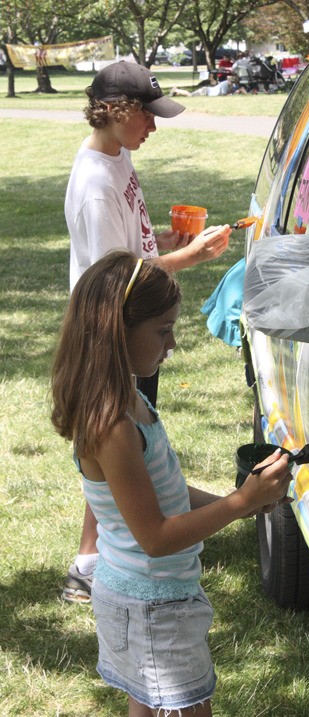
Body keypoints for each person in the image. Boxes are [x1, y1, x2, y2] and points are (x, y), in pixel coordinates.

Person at [50, 251, 292, 717]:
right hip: (151, 607)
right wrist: (242, 500)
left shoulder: (130, 402)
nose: (173, 342)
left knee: (146, 703)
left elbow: (168, 495)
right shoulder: (113, 426)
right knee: (188, 707)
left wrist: (239, 502)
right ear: (116, 331)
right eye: (162, 330)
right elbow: (156, 538)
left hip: (145, 599)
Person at [63, 60, 232, 604]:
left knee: (125, 446)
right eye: (147, 117)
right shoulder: (94, 184)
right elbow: (118, 279)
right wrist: (187, 255)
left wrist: (162, 235)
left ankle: (93, 556)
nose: (153, 128)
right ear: (116, 111)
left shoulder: (119, 157)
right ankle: (92, 561)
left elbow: (131, 245)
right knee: (117, 444)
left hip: (133, 322)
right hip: (117, 330)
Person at [169, 74, 247, 97]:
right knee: (190, 95)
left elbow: (230, 93)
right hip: (205, 91)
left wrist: (239, 91)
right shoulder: (226, 84)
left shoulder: (229, 85)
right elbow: (224, 95)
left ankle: (176, 93)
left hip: (207, 91)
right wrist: (234, 93)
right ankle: (176, 90)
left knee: (190, 95)